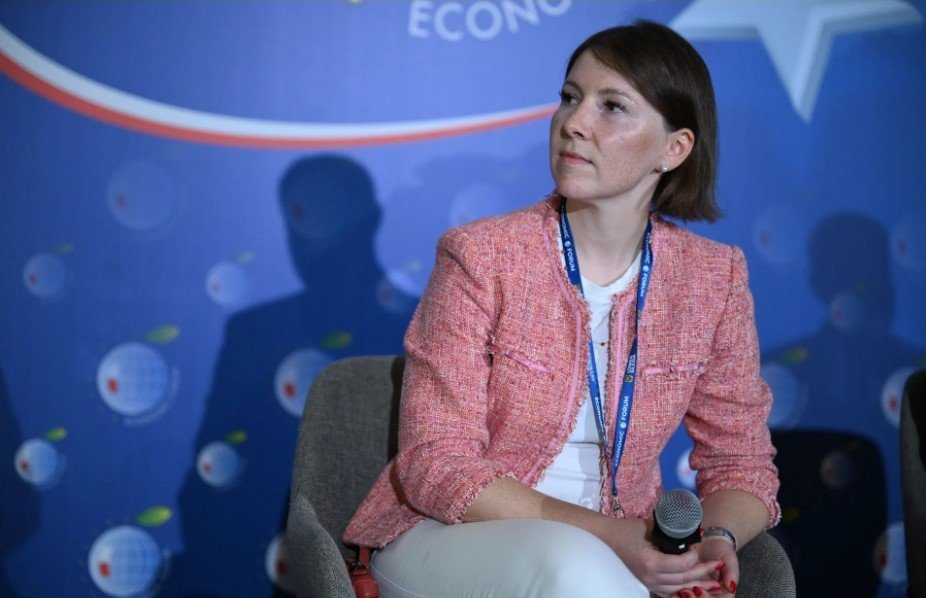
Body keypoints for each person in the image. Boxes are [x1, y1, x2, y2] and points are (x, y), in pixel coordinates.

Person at [344, 20, 780, 598]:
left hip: (622, 553)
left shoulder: (712, 279)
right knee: (575, 568)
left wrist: (717, 539)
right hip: (448, 534)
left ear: (673, 149)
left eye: (612, 106)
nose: (573, 122)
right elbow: (436, 465)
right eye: (571, 97)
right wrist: (613, 538)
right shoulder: (482, 256)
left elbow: (740, 462)